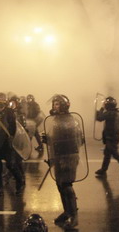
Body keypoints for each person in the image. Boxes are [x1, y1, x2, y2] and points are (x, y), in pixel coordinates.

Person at [42, 94, 81, 230]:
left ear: (64, 105)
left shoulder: (69, 120)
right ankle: (67, 212)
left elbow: (78, 140)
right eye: (54, 104)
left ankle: (74, 216)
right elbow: (55, 139)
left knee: (66, 184)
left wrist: (50, 138)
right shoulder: (57, 120)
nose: (54, 107)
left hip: (68, 155)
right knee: (60, 184)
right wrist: (48, 139)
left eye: (57, 104)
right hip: (59, 155)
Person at [0, 92, 24, 199]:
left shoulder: (10, 113)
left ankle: (20, 184)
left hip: (7, 144)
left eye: (2, 101)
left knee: (11, 165)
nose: (0, 104)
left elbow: (14, 129)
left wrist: (13, 141)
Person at [94, 96, 119, 181]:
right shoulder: (117, 112)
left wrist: (100, 109)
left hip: (110, 137)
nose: (104, 105)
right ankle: (103, 170)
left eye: (105, 104)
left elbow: (99, 118)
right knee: (107, 154)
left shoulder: (110, 113)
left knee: (116, 155)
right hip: (114, 136)